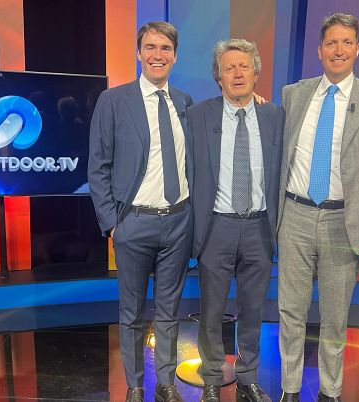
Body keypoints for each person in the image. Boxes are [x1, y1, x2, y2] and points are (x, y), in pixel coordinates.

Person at [277, 13, 359, 402]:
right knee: (290, 313)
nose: (339, 50)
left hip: (344, 222)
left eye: (347, 42)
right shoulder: (293, 94)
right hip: (294, 215)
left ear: (358, 49)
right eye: (331, 42)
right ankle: (289, 389)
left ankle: (330, 392)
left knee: (334, 318)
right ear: (319, 50)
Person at [88, 22, 193, 402]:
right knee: (131, 312)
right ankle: (134, 385)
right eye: (150, 47)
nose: (157, 55)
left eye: (165, 48)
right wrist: (113, 224)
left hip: (178, 221)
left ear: (175, 55)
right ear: (138, 53)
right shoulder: (114, 101)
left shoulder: (185, 102)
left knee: (169, 311)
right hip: (133, 222)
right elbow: (98, 166)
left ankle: (165, 382)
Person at [187, 39, 284, 402]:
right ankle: (212, 378)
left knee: (253, 309)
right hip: (217, 226)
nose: (238, 73)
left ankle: (247, 377)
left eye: (244, 66)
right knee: (212, 310)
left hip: (260, 226)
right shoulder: (198, 116)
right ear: (219, 78)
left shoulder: (275, 116)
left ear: (256, 73)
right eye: (229, 68)